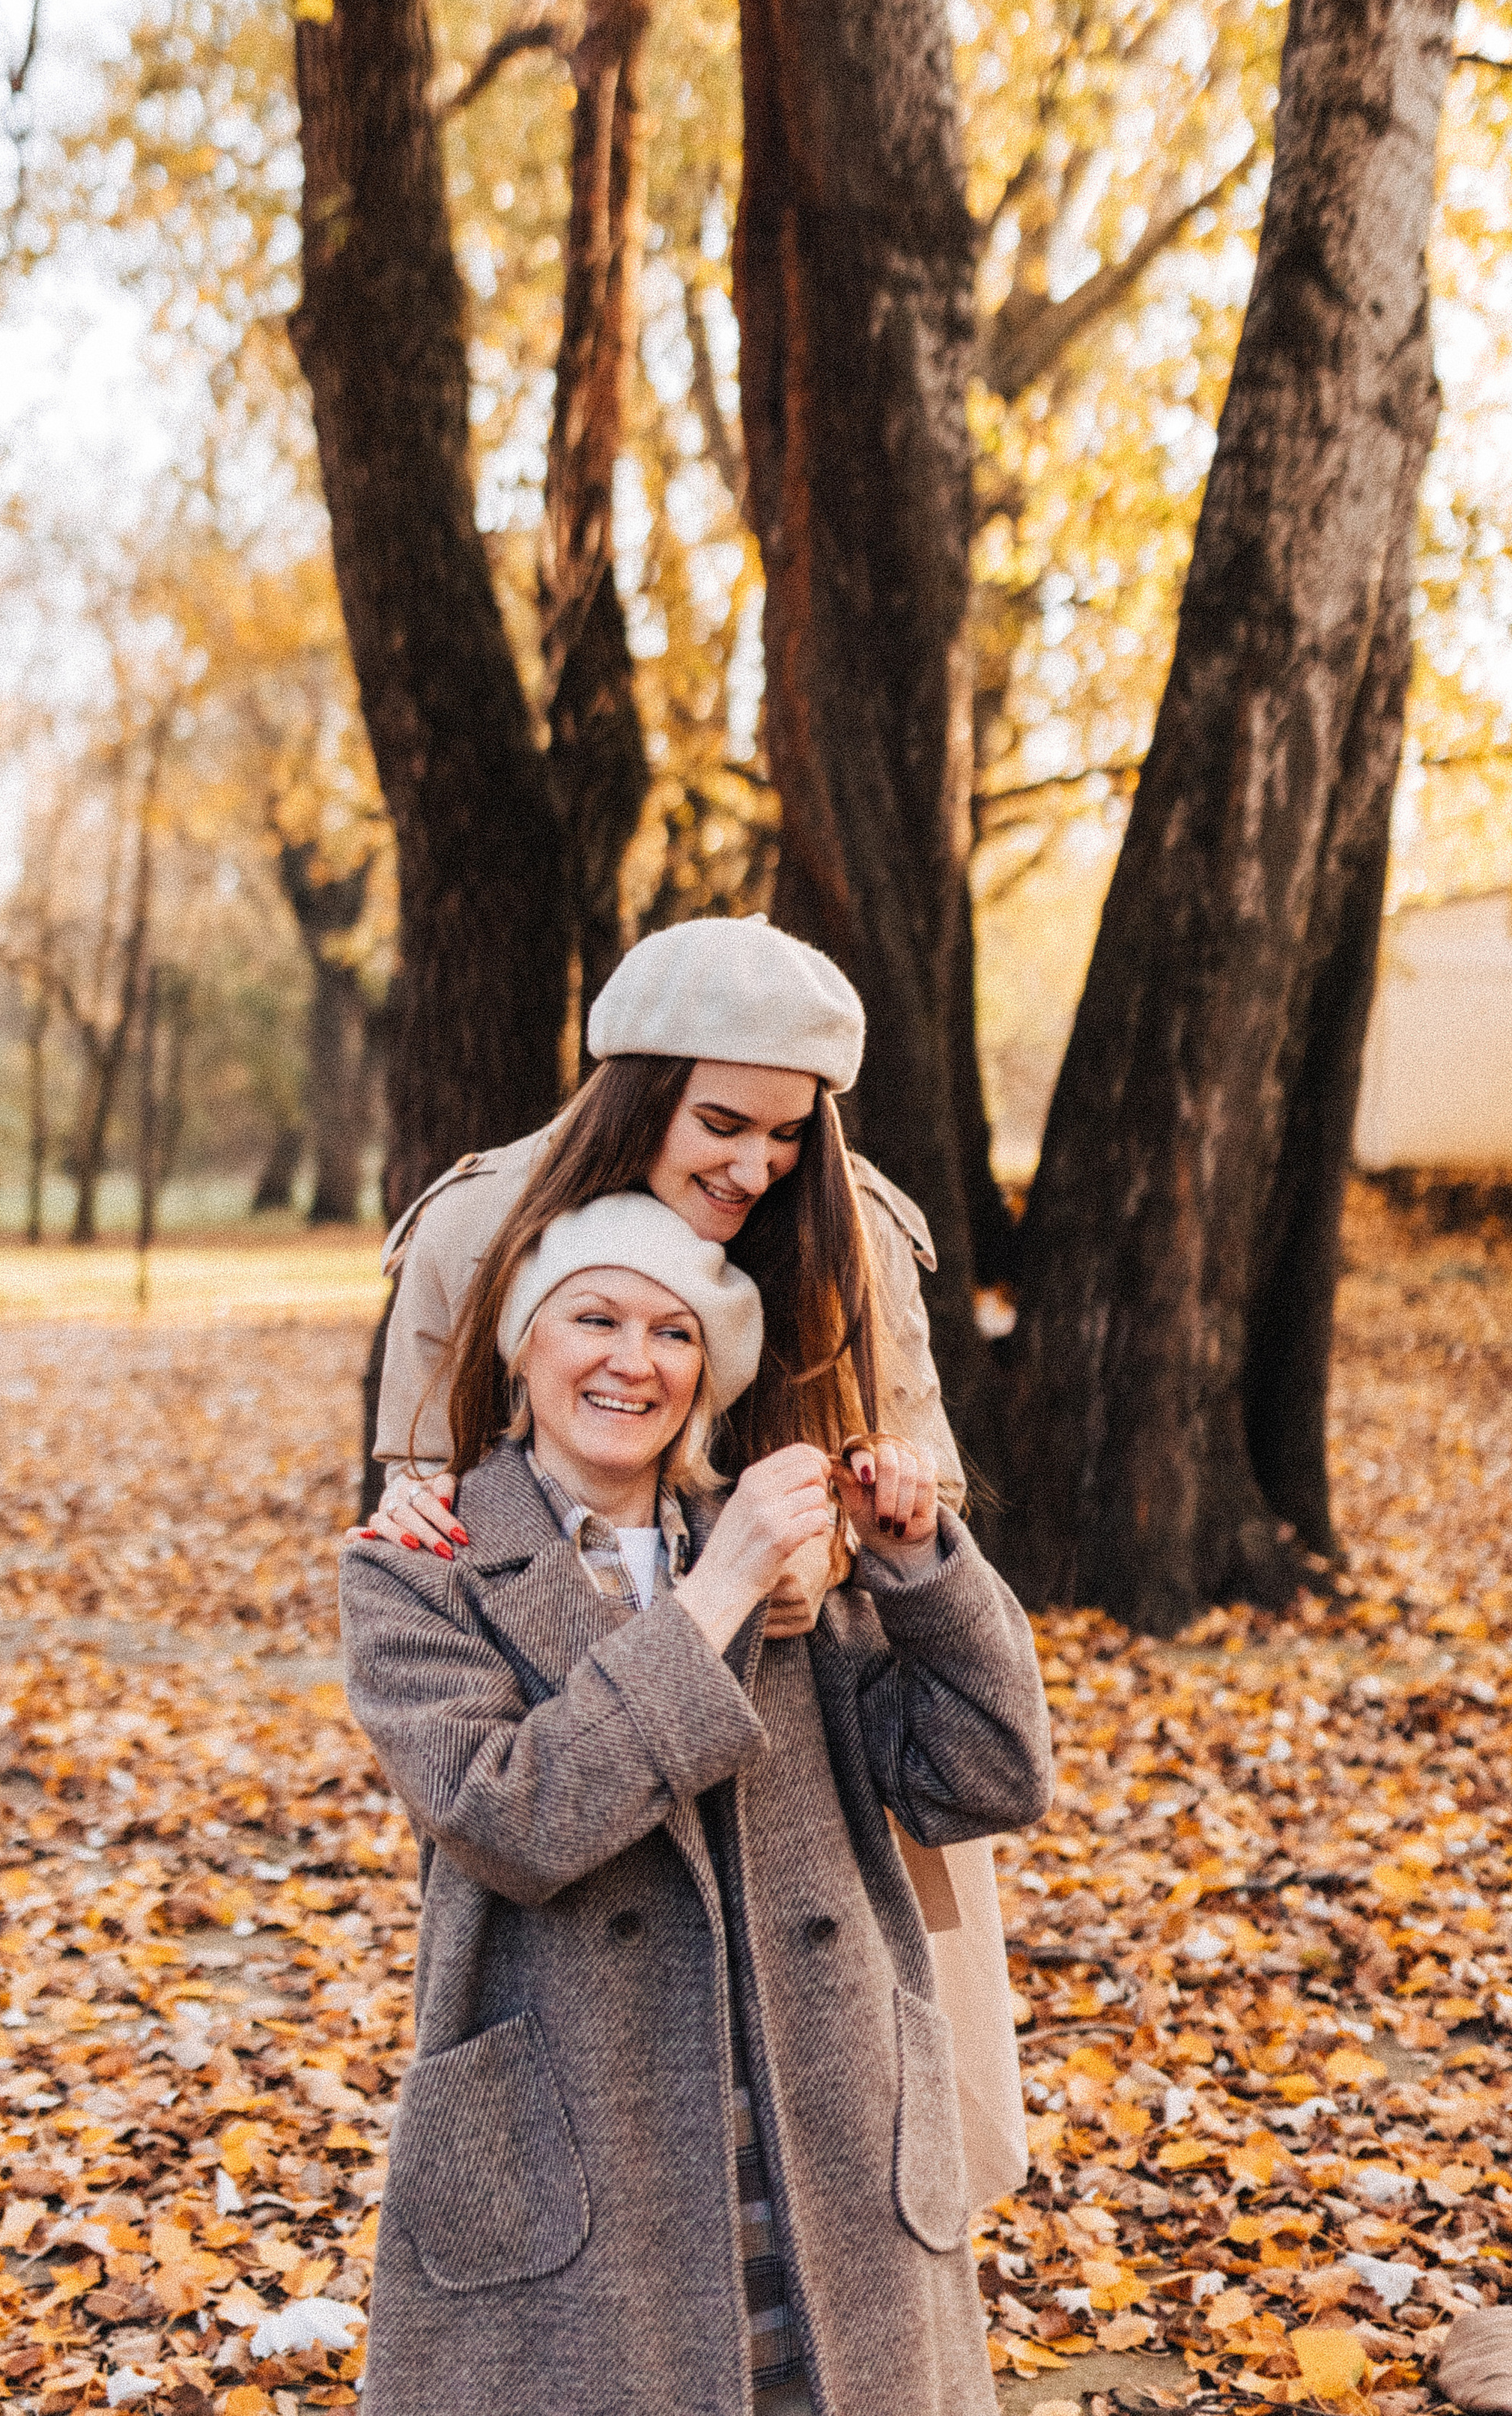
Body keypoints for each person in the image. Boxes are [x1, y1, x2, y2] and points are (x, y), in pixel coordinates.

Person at [338, 1189, 1052, 2416]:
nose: (631, 1361)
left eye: (674, 1333)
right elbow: (513, 1818)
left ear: (709, 1371)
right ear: (523, 1343)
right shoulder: (421, 1566)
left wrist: (922, 1565)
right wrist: (713, 1597)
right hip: (575, 2151)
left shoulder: (789, 1547)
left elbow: (985, 1775)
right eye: (594, 1319)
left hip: (819, 2135)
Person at [358, 913, 1032, 2207]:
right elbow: (421, 1491)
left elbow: (918, 1481)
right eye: (722, 1124)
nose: (758, 1166)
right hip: (574, 1728)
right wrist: (415, 1527)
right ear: (640, 1090)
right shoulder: (476, 1225)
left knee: (862, 2146)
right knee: (607, 2148)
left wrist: (827, 1552)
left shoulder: (851, 1231)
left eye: (790, 1132)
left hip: (821, 1740)